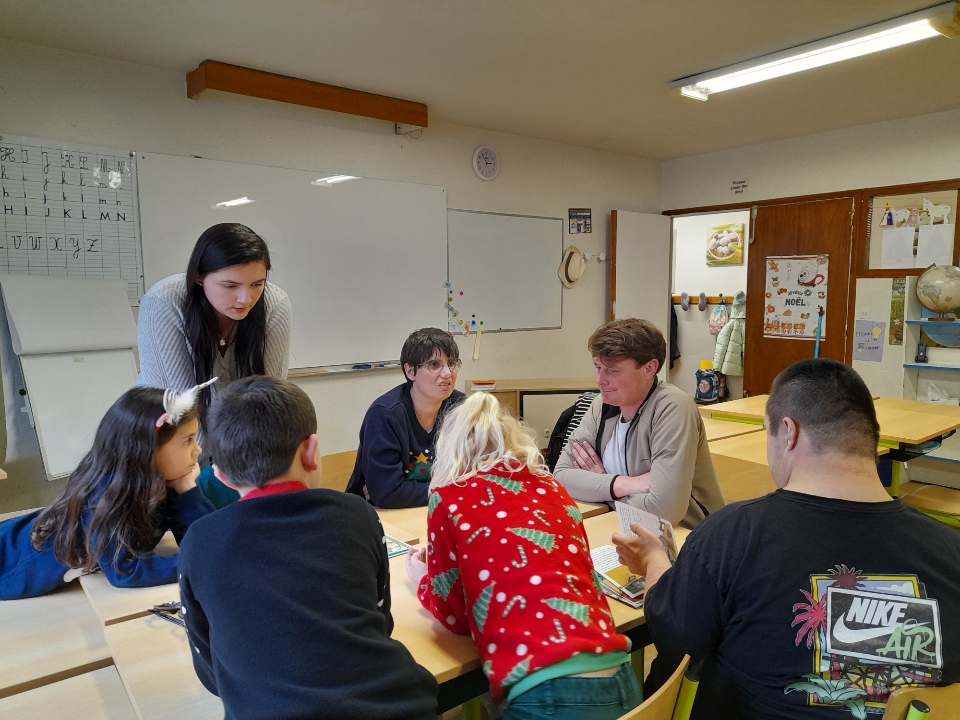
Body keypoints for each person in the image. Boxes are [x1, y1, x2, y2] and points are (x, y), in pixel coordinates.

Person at [614, 359, 960, 719]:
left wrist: (654, 560)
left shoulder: (731, 535)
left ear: (788, 432)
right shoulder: (950, 550)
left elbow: (675, 641)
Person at [178, 376, 438, 720]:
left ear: (221, 475)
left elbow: (212, 672)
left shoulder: (199, 541)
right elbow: (381, 622)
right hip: (397, 708)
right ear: (311, 452)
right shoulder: (357, 515)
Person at [407, 391, 642, 720]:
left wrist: (424, 581)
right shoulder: (553, 487)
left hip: (550, 696)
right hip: (623, 680)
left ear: (449, 451)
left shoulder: (449, 498)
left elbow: (455, 618)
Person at [0, 385, 214, 600]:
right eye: (187, 440)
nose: (198, 450)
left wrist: (187, 490)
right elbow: (125, 570)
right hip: (9, 561)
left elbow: (207, 542)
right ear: (148, 449)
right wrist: (199, 564)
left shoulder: (162, 480)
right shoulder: (107, 496)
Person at [137, 223, 292, 507]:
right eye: (230, 286)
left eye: (257, 284)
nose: (246, 298)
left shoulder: (274, 304)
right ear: (199, 277)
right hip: (169, 439)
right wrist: (201, 484)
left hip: (233, 452)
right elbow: (178, 407)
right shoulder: (165, 302)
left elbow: (267, 400)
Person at [554, 318, 723, 528]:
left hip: (686, 535)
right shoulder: (602, 404)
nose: (599, 379)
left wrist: (600, 486)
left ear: (649, 368)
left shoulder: (673, 407)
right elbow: (561, 477)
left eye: (612, 370)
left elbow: (663, 511)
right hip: (623, 525)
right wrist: (623, 483)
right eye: (598, 367)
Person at [346, 327, 465, 508]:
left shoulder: (462, 408)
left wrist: (407, 491)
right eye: (434, 365)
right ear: (410, 371)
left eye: (452, 363)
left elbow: (483, 476)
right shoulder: (384, 414)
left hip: (437, 508)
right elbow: (386, 494)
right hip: (377, 516)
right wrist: (453, 489)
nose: (448, 373)